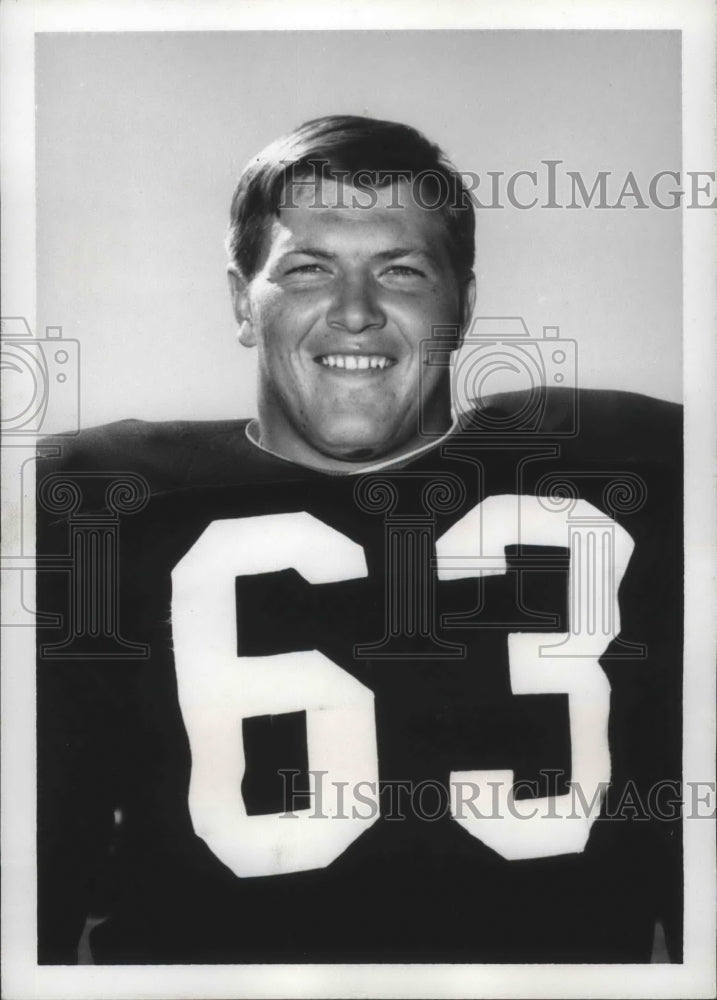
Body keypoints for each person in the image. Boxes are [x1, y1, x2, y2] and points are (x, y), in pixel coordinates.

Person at [36, 115, 682, 965]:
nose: (353, 313)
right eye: (307, 269)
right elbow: (42, 869)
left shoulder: (636, 471)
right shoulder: (98, 505)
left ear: (464, 302)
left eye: (401, 271)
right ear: (241, 300)